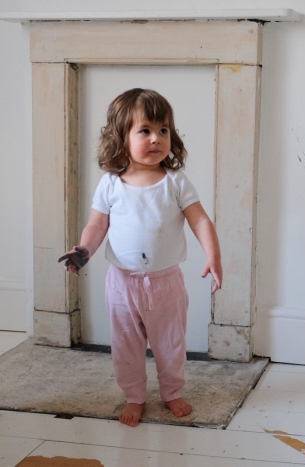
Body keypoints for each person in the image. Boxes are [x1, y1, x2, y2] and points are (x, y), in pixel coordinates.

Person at [58, 88, 222, 427]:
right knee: (126, 346)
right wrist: (83, 250)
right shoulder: (111, 184)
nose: (156, 139)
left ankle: (171, 391)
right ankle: (134, 396)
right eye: (144, 130)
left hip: (166, 284)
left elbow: (200, 219)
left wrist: (213, 255)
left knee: (170, 344)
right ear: (121, 137)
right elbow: (97, 224)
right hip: (121, 284)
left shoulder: (175, 182)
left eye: (163, 130)